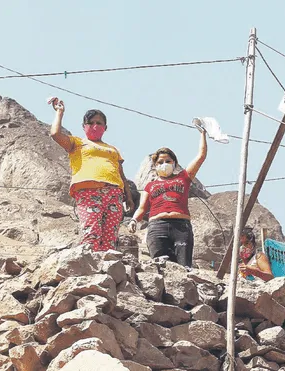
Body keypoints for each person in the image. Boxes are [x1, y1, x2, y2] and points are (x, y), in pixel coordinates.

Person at [49, 98, 134, 252]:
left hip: (114, 193)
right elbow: (55, 134)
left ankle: (107, 270)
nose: (95, 126)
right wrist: (59, 113)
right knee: (91, 232)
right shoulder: (77, 143)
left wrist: (128, 196)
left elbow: (121, 174)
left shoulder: (113, 149)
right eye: (91, 123)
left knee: (111, 237)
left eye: (99, 123)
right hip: (88, 191)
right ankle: (89, 268)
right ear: (84, 126)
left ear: (105, 127)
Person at [128, 123, 207, 267]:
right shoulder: (150, 186)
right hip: (157, 227)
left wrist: (203, 134)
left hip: (181, 227)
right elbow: (142, 208)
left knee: (184, 268)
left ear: (175, 163)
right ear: (155, 166)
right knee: (161, 268)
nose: (164, 164)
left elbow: (201, 156)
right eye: (160, 162)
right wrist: (134, 220)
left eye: (168, 161)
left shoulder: (183, 177)